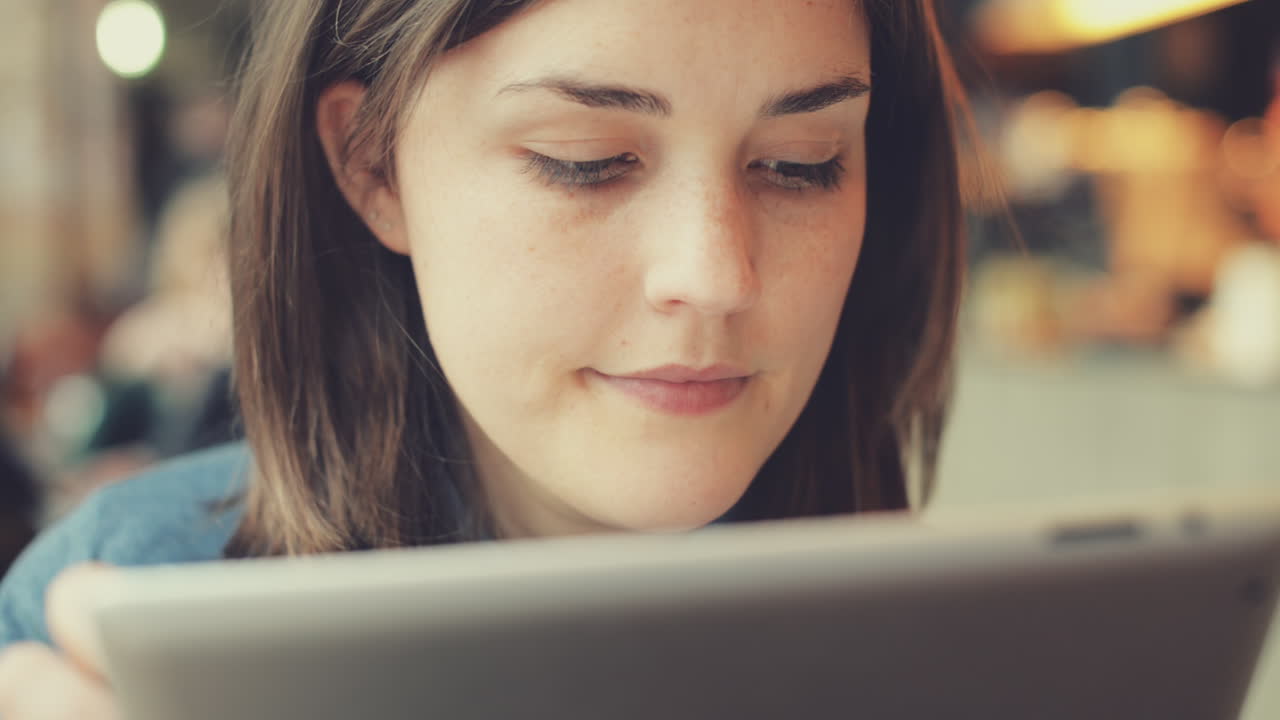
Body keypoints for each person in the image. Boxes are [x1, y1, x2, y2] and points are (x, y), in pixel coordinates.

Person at [0, 0, 970, 715]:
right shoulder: (121, 608)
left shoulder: (987, 653)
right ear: (371, 165)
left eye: (800, 163)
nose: (714, 273)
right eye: (584, 159)